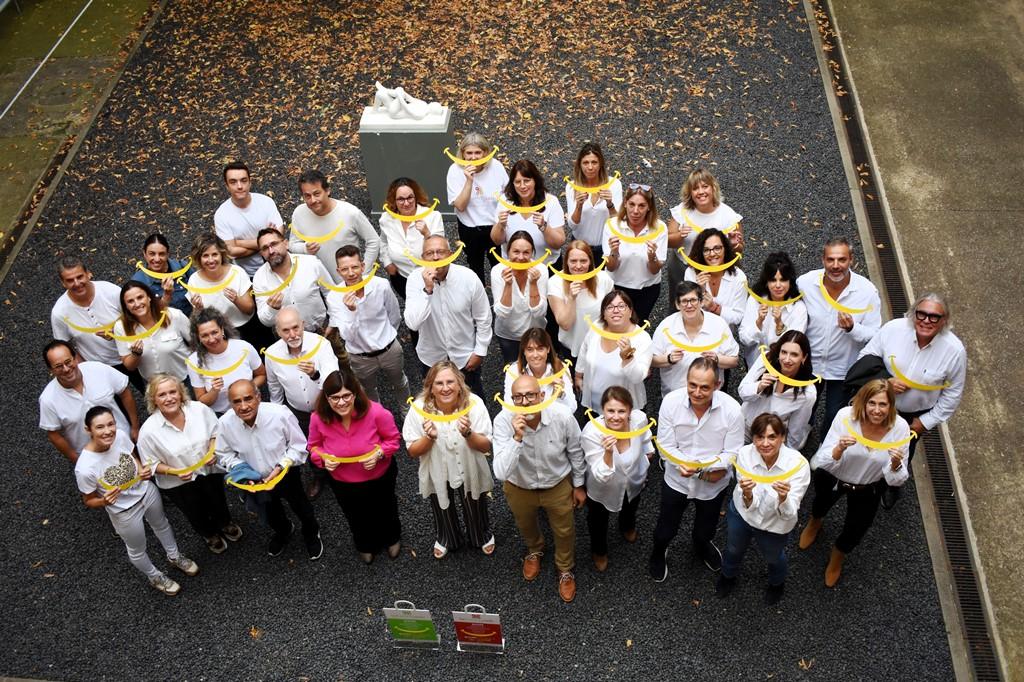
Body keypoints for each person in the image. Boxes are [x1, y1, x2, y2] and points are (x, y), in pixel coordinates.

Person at [856, 292, 966, 507]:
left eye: (934, 316)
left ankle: (891, 486)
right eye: (921, 314)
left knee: (900, 455)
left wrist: (923, 423)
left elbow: (953, 393)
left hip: (911, 418)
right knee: (864, 442)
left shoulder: (955, 351)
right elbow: (865, 360)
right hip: (875, 407)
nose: (926, 320)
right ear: (913, 313)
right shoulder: (893, 329)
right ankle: (858, 477)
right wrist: (885, 381)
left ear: (944, 320)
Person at [75, 406, 198, 596]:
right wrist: (104, 502)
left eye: (111, 424)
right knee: (137, 548)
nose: (108, 431)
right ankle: (154, 576)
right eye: (100, 427)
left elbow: (132, 456)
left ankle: (174, 556)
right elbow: (88, 501)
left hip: (146, 492)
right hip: (124, 511)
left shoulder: (121, 436)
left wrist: (141, 470)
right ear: (88, 430)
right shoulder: (84, 468)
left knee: (162, 525)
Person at [799, 380, 910, 587]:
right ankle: (815, 522)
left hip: (868, 486)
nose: (877, 410)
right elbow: (823, 460)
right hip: (834, 477)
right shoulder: (845, 417)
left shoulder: (900, 428)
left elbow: (899, 478)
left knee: (856, 528)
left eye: (883, 405)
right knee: (821, 502)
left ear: (891, 406)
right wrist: (839, 449)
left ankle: (837, 556)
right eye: (872, 403)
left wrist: (895, 464)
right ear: (863, 403)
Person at [493, 375, 587, 603]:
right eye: (518, 397)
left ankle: (564, 567)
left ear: (541, 396)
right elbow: (500, 472)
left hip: (556, 484)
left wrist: (579, 485)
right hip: (519, 486)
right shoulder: (503, 421)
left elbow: (575, 452)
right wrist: (517, 437)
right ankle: (535, 549)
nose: (525, 402)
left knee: (565, 530)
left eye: (530, 395)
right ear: (512, 400)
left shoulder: (562, 417)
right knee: (525, 523)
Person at [649, 357, 743, 581]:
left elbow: (733, 452)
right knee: (665, 528)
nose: (697, 392)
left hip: (713, 485)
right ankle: (659, 551)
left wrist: (701, 470)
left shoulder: (732, 410)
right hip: (676, 479)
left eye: (704, 387)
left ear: (717, 386)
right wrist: (693, 467)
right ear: (686, 381)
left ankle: (701, 546)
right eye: (692, 385)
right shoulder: (671, 402)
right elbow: (665, 446)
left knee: (706, 528)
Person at [216, 379, 323, 560]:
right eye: (237, 401)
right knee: (271, 512)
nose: (243, 406)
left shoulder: (279, 414)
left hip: (286, 475)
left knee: (301, 506)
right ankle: (284, 530)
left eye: (248, 398)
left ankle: (312, 532)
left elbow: (298, 445)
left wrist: (282, 466)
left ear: (258, 397)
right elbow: (223, 453)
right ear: (231, 403)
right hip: (254, 480)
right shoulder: (225, 423)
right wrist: (242, 472)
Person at [137, 374, 241, 554]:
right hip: (178, 483)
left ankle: (225, 523)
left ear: (181, 393)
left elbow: (217, 431)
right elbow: (150, 464)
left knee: (217, 499)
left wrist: (212, 448)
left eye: (172, 392)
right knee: (193, 510)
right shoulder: (148, 431)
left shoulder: (199, 410)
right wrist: (173, 472)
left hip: (209, 470)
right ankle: (209, 534)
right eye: (162, 395)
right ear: (153, 399)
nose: (169, 398)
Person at [308, 368, 402, 564]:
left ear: (355, 393)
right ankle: (365, 544)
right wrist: (324, 460)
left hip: (380, 475)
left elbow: (393, 439)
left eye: (346, 396)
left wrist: (379, 453)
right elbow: (313, 447)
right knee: (354, 514)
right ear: (326, 398)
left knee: (386, 507)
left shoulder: (376, 412)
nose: (341, 402)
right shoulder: (318, 418)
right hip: (343, 482)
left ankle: (392, 537)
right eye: (334, 398)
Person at [403, 362, 494, 559]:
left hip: (469, 465)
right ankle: (447, 537)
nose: (445, 388)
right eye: (439, 383)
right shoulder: (418, 409)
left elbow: (486, 446)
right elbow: (411, 451)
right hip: (437, 468)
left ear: (460, 383)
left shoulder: (474, 404)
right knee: (440, 504)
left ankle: (480, 535)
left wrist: (468, 433)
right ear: (430, 387)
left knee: (475, 500)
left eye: (450, 382)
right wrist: (429, 438)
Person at [716, 413, 810, 604]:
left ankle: (777, 583)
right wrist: (748, 495)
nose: (765, 443)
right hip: (742, 515)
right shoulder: (744, 454)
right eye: (760, 437)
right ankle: (728, 575)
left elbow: (791, 511)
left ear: (782, 437)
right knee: (733, 548)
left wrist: (783, 498)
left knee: (773, 556)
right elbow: (747, 497)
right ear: (754, 438)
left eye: (772, 437)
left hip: (775, 524)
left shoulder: (799, 465)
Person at [796, 237, 882, 439]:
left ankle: (825, 454)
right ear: (822, 260)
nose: (836, 266)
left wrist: (853, 328)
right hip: (809, 363)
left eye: (842, 260)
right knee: (802, 408)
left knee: (836, 415)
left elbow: (876, 335)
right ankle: (800, 441)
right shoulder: (805, 283)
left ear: (851, 259)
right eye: (830, 260)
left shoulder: (867, 292)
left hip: (843, 368)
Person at [264, 306, 338, 499]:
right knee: (311, 445)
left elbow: (334, 381)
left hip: (328, 408)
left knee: (336, 440)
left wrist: (315, 375)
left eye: (296, 327)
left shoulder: (321, 344)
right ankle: (319, 475)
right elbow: (274, 387)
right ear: (278, 332)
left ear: (303, 325)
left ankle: (341, 471)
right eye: (286, 330)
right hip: (299, 413)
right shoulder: (272, 354)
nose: (292, 334)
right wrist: (278, 417)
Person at [404, 235, 492, 396]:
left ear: (450, 255)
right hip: (431, 360)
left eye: (440, 252)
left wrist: (480, 351)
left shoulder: (469, 278)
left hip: (465, 359)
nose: (436, 257)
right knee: (437, 408)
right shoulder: (414, 280)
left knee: (473, 404)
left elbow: (484, 317)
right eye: (430, 253)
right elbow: (413, 324)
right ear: (423, 258)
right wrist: (427, 290)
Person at [581, 386, 653, 572]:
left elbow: (645, 437)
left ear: (630, 411)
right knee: (598, 521)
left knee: (631, 507)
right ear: (602, 410)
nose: (615, 416)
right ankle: (599, 551)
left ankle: (627, 526)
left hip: (634, 481)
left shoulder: (638, 420)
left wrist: (648, 452)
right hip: (603, 490)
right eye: (610, 411)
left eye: (621, 411)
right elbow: (601, 475)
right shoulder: (591, 433)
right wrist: (607, 453)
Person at [327, 245, 410, 404]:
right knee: (368, 390)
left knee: (400, 382)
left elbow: (394, 315)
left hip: (389, 349)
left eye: (355, 267)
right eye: (345, 269)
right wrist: (352, 311)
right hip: (360, 357)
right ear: (338, 271)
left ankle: (406, 411)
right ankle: (376, 418)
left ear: (363, 266)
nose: (351, 273)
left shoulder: (381, 285)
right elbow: (347, 336)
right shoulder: (334, 297)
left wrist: (387, 337)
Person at [39, 339, 139, 462]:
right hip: (93, 458)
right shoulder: (48, 399)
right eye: (58, 366)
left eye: (68, 362)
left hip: (125, 443)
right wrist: (76, 459)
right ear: (51, 370)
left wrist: (135, 427)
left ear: (75, 358)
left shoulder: (98, 369)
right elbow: (54, 434)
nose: (66, 369)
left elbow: (125, 392)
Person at [666, 168, 745, 301]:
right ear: (690, 192)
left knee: (714, 303)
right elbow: (666, 241)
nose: (701, 192)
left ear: (713, 188)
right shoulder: (682, 211)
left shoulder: (728, 215)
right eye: (695, 188)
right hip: (683, 265)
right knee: (679, 302)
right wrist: (680, 236)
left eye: (705, 186)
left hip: (717, 270)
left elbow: (739, 249)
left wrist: (734, 245)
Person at [288, 169, 380, 283]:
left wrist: (364, 271)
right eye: (307, 196)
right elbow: (292, 245)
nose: (313, 200)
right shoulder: (299, 213)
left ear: (327, 191)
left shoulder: (350, 213)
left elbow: (374, 240)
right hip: (319, 284)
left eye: (317, 194)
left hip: (351, 281)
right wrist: (304, 248)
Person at [651, 281, 740, 394]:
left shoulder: (719, 324)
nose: (689, 305)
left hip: (710, 394)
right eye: (684, 301)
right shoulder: (666, 326)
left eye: (693, 300)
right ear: (677, 305)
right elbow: (652, 360)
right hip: (675, 395)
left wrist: (717, 359)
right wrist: (668, 359)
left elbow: (734, 360)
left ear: (701, 302)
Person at [184, 233, 268, 350]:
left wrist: (236, 300)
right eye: (205, 256)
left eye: (214, 254)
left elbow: (249, 309)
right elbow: (197, 319)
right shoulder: (194, 280)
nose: (211, 260)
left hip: (246, 329)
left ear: (222, 254)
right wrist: (198, 309)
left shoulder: (237, 272)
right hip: (216, 336)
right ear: (198, 258)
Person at [576, 290, 654, 411]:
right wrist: (578, 374)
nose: (616, 310)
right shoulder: (597, 327)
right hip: (594, 404)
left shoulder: (642, 338)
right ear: (604, 315)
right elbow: (584, 348)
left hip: (623, 410)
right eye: (610, 307)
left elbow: (638, 377)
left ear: (630, 312)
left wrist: (628, 358)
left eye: (621, 306)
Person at [738, 331, 817, 449]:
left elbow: (795, 432)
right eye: (784, 352)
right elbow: (742, 392)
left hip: (771, 439)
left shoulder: (807, 393)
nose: (787, 359)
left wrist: (787, 458)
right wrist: (759, 386)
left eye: (794, 355)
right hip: (745, 428)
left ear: (804, 358)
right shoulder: (766, 359)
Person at [446, 132, 508, 283]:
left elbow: (508, 195)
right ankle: (479, 298)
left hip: (495, 226)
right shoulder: (455, 170)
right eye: (469, 153)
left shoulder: (496, 167)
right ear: (462, 154)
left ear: (485, 152)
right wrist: (469, 181)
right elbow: (460, 206)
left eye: (478, 152)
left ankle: (501, 296)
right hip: (470, 228)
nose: (473, 157)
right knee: (475, 265)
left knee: (499, 264)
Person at [603, 183, 667, 323]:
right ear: (625, 203)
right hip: (617, 286)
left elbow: (654, 270)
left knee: (637, 326)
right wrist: (614, 252)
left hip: (647, 288)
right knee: (615, 324)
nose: (635, 211)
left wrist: (652, 257)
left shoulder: (660, 228)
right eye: (632, 204)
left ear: (649, 206)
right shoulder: (612, 225)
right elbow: (611, 267)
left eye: (641, 206)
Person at [186, 309, 265, 415]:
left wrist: (246, 389)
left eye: (214, 332)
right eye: (204, 335)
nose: (211, 339)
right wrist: (214, 391)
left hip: (252, 409)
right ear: (198, 337)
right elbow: (202, 401)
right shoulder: (194, 361)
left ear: (222, 329)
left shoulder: (243, 347)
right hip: (221, 415)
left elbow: (262, 375)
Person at [253, 227, 333, 331]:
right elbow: (265, 321)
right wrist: (273, 309)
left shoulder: (311, 263)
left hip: (321, 328)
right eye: (265, 248)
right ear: (261, 254)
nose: (271, 251)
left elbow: (331, 294)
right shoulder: (259, 278)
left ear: (286, 244)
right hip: (286, 337)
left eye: (274, 244)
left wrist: (333, 322)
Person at [50, 256, 124, 368]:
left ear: (88, 273)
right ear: (63, 283)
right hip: (99, 367)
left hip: (132, 352)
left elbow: (135, 316)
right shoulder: (59, 312)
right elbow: (64, 347)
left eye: (80, 277)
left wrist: (118, 331)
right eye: (70, 280)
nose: (76, 283)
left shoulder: (111, 291)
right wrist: (85, 367)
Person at [547, 240, 615, 362]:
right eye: (573, 261)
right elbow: (565, 324)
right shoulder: (555, 282)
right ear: (566, 262)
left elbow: (613, 310)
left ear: (590, 262)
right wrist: (571, 298)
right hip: (573, 347)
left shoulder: (603, 278)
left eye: (583, 261)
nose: (578, 266)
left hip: (601, 344)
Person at [379, 176, 445, 299]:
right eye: (400, 199)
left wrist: (427, 234)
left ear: (416, 197)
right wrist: (387, 262)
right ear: (394, 200)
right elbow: (383, 241)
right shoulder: (386, 219)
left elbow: (441, 252)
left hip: (431, 277)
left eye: (410, 197)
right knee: (413, 310)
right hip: (402, 278)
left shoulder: (433, 216)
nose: (406, 203)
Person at [214, 161, 284, 277]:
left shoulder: (266, 202)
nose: (240, 186)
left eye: (243, 180)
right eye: (233, 182)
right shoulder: (221, 214)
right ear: (227, 186)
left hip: (278, 264)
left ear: (250, 182)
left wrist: (239, 243)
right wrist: (265, 243)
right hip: (248, 274)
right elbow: (230, 252)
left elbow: (279, 234)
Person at [491, 159, 565, 267]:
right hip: (514, 265)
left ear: (535, 181)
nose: (522, 186)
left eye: (526, 180)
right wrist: (500, 226)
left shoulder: (551, 202)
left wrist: (544, 227)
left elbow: (558, 243)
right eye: (517, 182)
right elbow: (496, 240)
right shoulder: (505, 201)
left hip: (546, 265)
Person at [113, 281, 191, 383]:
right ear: (125, 306)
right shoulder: (120, 327)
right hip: (154, 388)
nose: (137, 304)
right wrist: (136, 354)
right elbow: (129, 366)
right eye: (130, 301)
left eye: (140, 297)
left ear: (149, 297)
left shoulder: (173, 315)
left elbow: (195, 343)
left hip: (185, 379)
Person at [738, 252, 807, 366]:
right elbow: (744, 339)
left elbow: (795, 346)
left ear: (790, 281)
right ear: (766, 282)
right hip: (754, 364)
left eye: (783, 280)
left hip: (785, 367)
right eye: (773, 280)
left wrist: (780, 325)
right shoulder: (755, 300)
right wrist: (759, 322)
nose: (778, 285)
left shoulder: (799, 308)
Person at [491, 231, 549, 363]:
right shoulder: (497, 271)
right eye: (516, 252)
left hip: (535, 333)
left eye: (526, 252)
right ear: (508, 252)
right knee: (513, 369)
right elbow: (502, 313)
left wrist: (533, 283)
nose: (521, 257)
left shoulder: (541, 270)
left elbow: (539, 313)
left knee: (536, 369)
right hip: (508, 335)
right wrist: (508, 285)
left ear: (532, 253)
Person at [564, 142, 622, 262]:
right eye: (585, 163)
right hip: (579, 248)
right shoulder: (572, 187)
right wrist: (579, 206)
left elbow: (619, 223)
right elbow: (572, 225)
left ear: (600, 163)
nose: (590, 167)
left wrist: (610, 205)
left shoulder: (614, 184)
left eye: (594, 162)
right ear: (579, 164)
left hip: (606, 247)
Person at [683, 227, 747, 327]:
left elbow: (738, 317)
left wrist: (714, 307)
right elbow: (687, 312)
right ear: (701, 253)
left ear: (725, 249)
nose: (712, 254)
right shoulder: (691, 273)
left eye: (717, 248)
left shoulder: (739, 278)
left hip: (724, 334)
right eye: (706, 250)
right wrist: (698, 292)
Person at [502, 328, 576, 413]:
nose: (535, 355)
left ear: (548, 349)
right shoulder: (514, 371)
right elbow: (508, 408)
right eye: (530, 349)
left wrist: (560, 395)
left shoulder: (561, 368)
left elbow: (572, 408)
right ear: (524, 351)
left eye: (540, 349)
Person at [129, 232, 193, 316]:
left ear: (167, 254)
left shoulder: (183, 268)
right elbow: (146, 317)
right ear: (144, 254)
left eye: (161, 254)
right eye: (152, 254)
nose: (157, 259)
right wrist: (166, 296)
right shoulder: (138, 282)